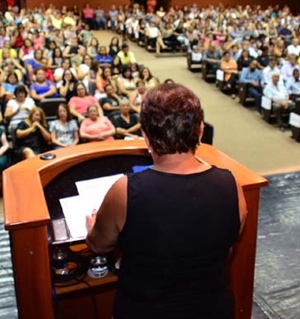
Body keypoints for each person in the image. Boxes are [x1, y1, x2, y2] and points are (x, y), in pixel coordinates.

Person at [86, 83, 247, 319]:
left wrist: (92, 226)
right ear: (200, 131)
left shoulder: (125, 191)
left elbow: (99, 245)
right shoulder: (232, 187)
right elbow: (226, 249)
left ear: (146, 137)